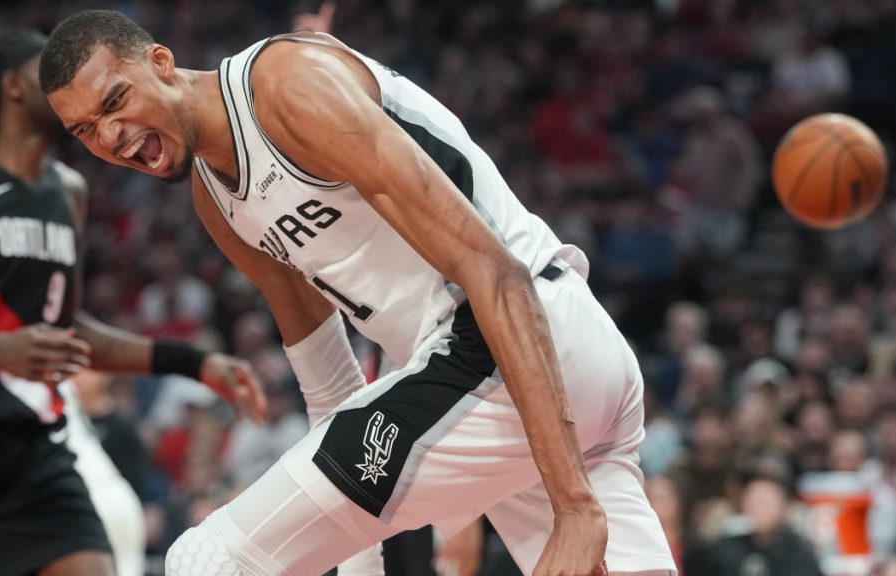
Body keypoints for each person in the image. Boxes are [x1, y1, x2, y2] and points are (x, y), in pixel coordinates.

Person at [40, 10, 677, 576]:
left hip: (512, 341)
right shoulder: (216, 200)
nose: (109, 137)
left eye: (116, 101)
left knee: (205, 561)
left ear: (161, 62)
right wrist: (359, 556)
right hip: (527, 380)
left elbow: (494, 270)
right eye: (84, 130)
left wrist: (575, 506)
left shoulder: (286, 88)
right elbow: (330, 389)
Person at [0, 30, 266, 576]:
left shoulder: (67, 191)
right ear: (13, 88)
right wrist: (0, 351)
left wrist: (194, 363)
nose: (63, 84)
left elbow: (68, 327)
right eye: (43, 70)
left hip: (31, 446)